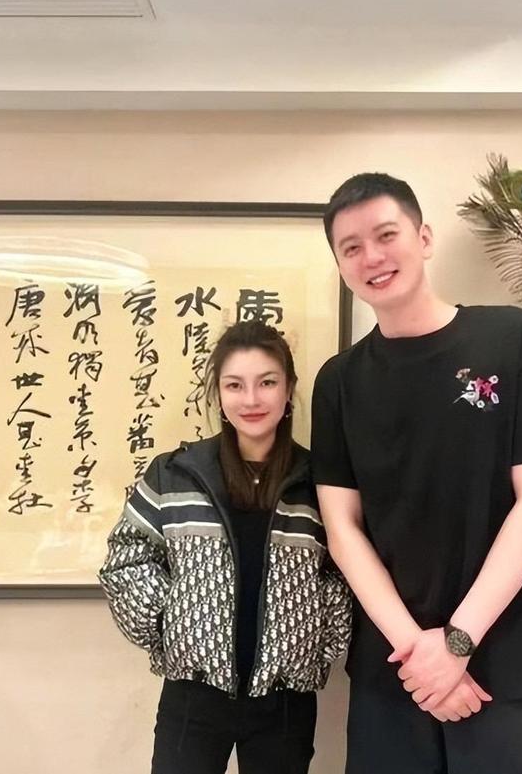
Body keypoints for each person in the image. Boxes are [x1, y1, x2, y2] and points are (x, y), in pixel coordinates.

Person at [311, 172, 522, 774]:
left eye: (386, 235)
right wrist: (421, 656)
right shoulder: (339, 382)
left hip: (506, 664)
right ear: (340, 264)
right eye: (351, 247)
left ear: (424, 238)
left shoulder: (512, 338)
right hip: (396, 672)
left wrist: (457, 643)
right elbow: (342, 530)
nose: (371, 257)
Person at [99, 320, 351, 774]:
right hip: (193, 696)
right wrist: (172, 623)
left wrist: (315, 640)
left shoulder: (318, 483)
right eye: (235, 385)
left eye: (267, 382)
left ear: (289, 389)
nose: (251, 399)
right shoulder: (175, 474)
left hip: (285, 701)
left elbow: (345, 571)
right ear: (217, 393)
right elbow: (127, 558)